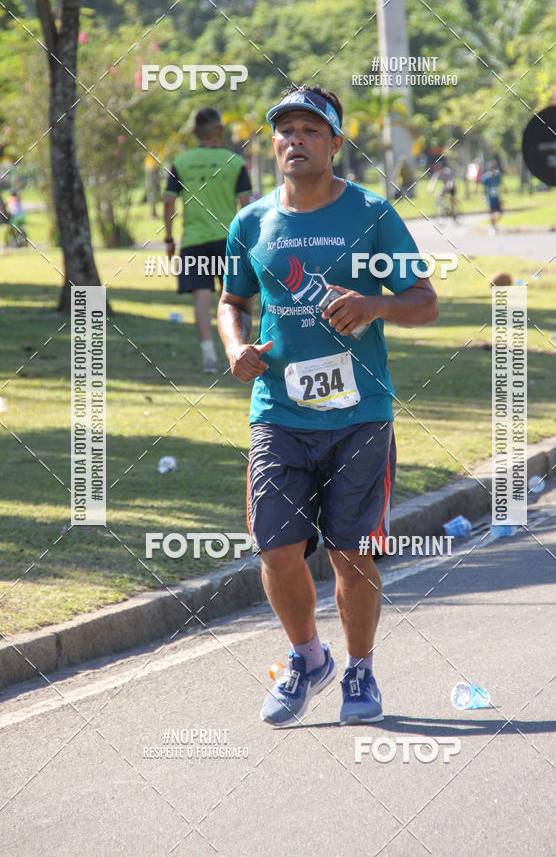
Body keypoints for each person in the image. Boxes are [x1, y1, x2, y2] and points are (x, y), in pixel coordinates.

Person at [217, 85, 438, 727]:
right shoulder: (252, 223)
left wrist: (375, 304)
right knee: (277, 550)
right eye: (285, 130)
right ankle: (309, 659)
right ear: (273, 143)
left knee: (350, 553)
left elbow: (424, 301)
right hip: (278, 412)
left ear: (335, 143)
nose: (296, 140)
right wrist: (235, 347)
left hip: (359, 414)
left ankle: (360, 670)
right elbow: (232, 302)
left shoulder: (371, 214)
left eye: (311, 130)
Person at [164, 107, 252, 373]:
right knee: (238, 299)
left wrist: (169, 238)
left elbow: (168, 201)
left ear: (195, 132)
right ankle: (240, 351)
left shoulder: (182, 162)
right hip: (229, 241)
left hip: (194, 242)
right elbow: (245, 204)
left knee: (201, 301)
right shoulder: (234, 162)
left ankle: (209, 358)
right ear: (220, 131)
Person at [480, 161, 503, 234]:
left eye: (492, 168)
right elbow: (483, 188)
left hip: (496, 197)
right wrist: (483, 197)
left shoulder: (497, 176)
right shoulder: (486, 178)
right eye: (490, 169)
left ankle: (494, 224)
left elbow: (500, 184)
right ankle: (492, 226)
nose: (492, 170)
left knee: (500, 213)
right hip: (490, 198)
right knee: (492, 213)